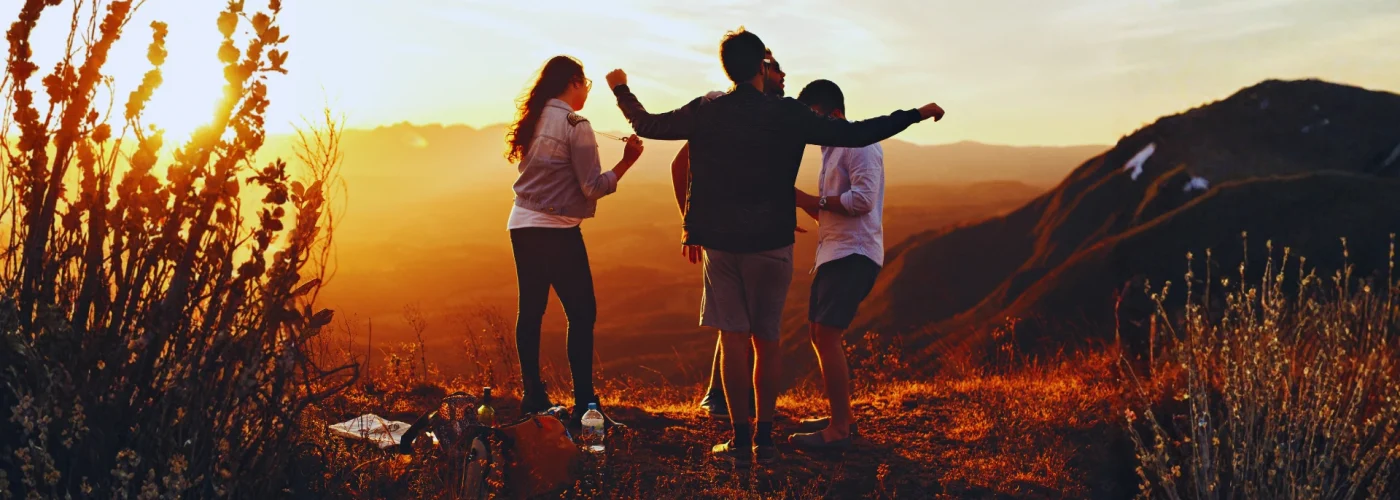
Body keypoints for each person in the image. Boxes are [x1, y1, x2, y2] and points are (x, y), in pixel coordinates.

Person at [607, 28, 944, 467]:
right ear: (761, 68)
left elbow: (649, 125)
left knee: (734, 341)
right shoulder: (786, 114)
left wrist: (621, 90)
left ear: (728, 67)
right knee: (768, 341)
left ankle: (740, 442)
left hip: (723, 244)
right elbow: (859, 133)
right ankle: (765, 441)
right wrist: (915, 113)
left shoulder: (708, 111)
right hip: (772, 242)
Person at [504, 55, 644, 428]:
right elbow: (592, 187)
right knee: (582, 313)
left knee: (531, 311)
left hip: (521, 223)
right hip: (558, 230)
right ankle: (586, 407)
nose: (587, 92)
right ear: (573, 82)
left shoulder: (535, 118)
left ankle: (533, 397)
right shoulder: (576, 124)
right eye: (586, 84)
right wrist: (628, 160)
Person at [669, 49, 788, 421]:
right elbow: (680, 164)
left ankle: (731, 404)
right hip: (726, 233)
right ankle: (722, 399)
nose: (785, 76)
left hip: (751, 229)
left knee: (741, 322)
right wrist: (692, 224)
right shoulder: (722, 111)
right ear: (760, 70)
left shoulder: (765, 116)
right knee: (736, 323)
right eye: (777, 69)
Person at [788, 79, 899, 449]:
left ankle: (838, 430)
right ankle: (842, 415)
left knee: (827, 335)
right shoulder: (830, 149)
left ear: (834, 113)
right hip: (835, 251)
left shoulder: (860, 144)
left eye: (813, 117)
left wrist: (809, 199)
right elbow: (834, 206)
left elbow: (863, 200)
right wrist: (805, 204)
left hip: (854, 253)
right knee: (819, 334)